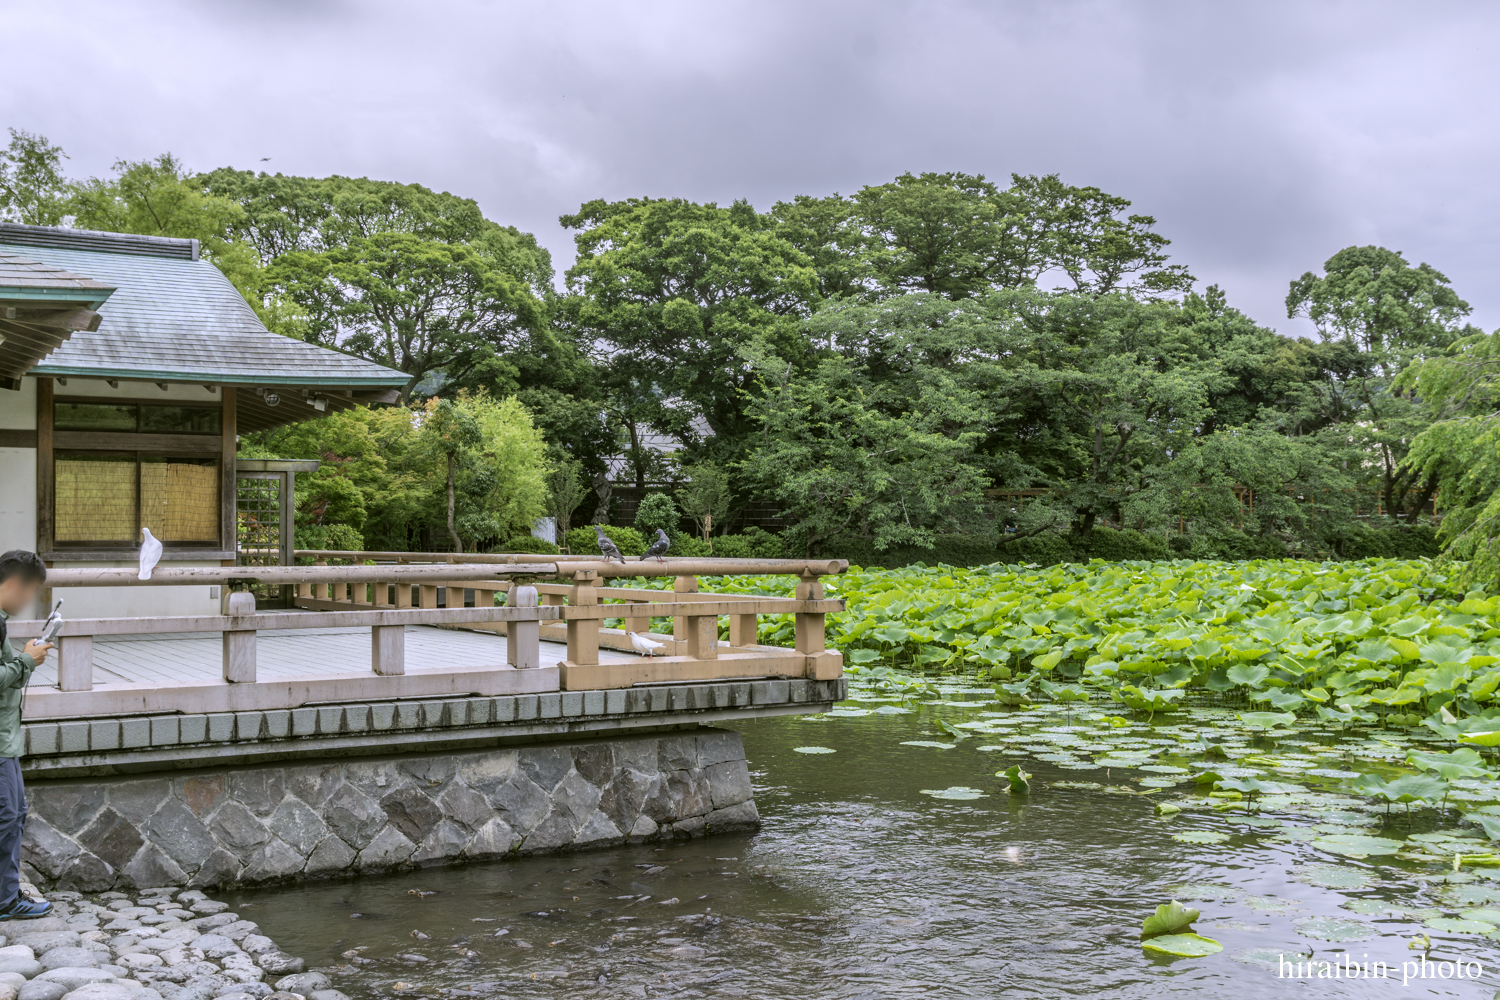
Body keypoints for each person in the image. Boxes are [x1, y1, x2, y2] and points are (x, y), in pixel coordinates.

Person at [0, 551, 52, 920]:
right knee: (7, 817)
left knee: (14, 814)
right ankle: (3, 900)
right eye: (31, 590)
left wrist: (23, 658)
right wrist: (26, 661)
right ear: (15, 584)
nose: (29, 600)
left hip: (6, 737)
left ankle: (6, 893)